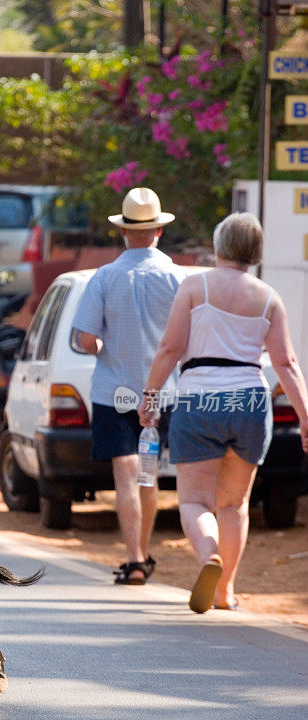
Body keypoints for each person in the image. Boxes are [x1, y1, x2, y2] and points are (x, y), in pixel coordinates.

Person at [138, 212, 308, 613]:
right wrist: (304, 416)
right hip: (250, 401)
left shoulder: (195, 287)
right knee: (234, 505)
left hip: (200, 400)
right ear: (256, 252)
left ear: (218, 247)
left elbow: (169, 350)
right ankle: (225, 590)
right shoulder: (268, 297)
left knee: (194, 501)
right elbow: (286, 363)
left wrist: (149, 398)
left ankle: (207, 557)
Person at [72, 187, 186, 585]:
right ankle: (144, 555)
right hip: (160, 394)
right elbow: (185, 338)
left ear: (123, 231)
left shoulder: (104, 277)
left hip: (113, 392)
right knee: (148, 474)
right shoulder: (176, 277)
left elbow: (85, 339)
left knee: (125, 474)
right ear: (157, 230)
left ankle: (134, 558)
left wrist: (103, 346)